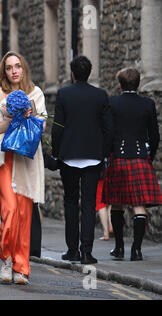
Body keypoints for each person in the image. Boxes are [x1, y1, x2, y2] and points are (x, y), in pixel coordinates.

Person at [0, 51, 47, 285]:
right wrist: (13, 117)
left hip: (26, 159)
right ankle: (6, 258)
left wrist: (31, 117)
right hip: (4, 157)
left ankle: (21, 268)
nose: (14, 71)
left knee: (24, 214)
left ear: (24, 69)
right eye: (10, 67)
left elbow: (41, 128)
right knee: (10, 211)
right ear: (4, 71)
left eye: (18, 66)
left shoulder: (36, 93)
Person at [51, 56, 113, 265]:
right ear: (89, 73)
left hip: (69, 157)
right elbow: (108, 129)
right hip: (93, 157)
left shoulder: (64, 94)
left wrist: (56, 153)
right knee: (88, 204)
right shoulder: (100, 95)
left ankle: (72, 251)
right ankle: (87, 252)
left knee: (70, 203)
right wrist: (104, 154)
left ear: (73, 74)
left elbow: (57, 127)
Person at [102, 67, 162, 261]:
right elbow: (154, 136)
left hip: (118, 158)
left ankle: (119, 248)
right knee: (139, 206)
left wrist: (106, 155)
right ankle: (136, 250)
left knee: (117, 205)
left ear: (120, 84)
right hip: (139, 159)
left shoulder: (112, 103)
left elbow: (108, 133)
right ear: (139, 84)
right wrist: (148, 156)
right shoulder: (148, 104)